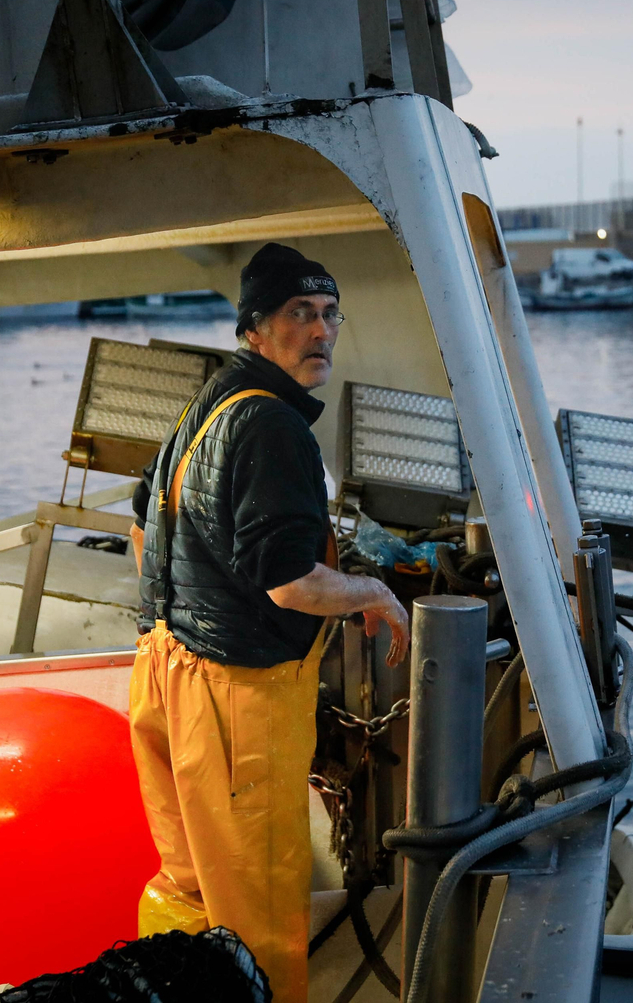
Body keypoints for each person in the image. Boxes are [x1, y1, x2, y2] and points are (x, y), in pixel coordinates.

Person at [127, 242, 410, 1003]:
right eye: (299, 314)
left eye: (328, 314)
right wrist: (373, 594)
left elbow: (144, 526)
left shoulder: (206, 404)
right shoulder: (275, 427)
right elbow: (290, 585)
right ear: (256, 330)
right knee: (256, 917)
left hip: (163, 672)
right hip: (236, 702)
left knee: (187, 890)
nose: (320, 331)